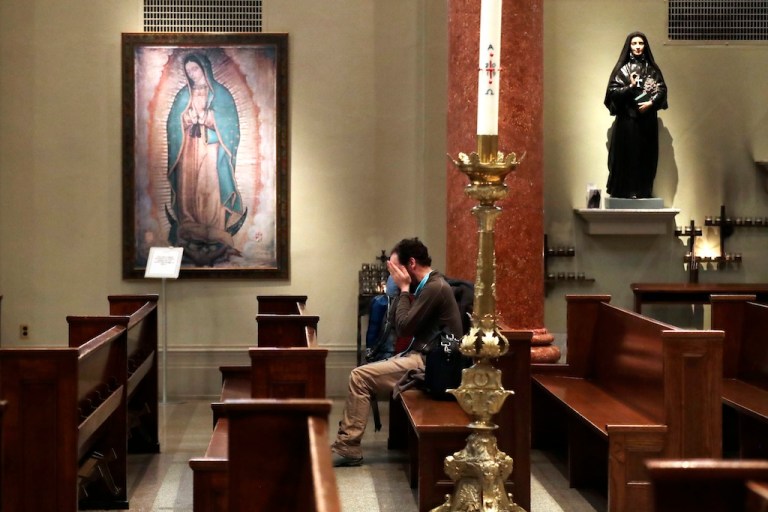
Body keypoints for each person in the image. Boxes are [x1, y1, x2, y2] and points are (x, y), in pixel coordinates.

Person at [331, 238, 463, 467]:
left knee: (359, 376)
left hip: (430, 363)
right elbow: (398, 323)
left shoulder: (434, 288)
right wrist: (399, 292)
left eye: (394, 269)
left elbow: (403, 327)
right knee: (364, 372)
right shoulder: (427, 286)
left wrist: (402, 290)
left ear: (410, 263)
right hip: (423, 357)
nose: (391, 275)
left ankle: (348, 447)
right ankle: (347, 443)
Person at [166, 53, 248, 266]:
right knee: (189, 187)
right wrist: (185, 118)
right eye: (189, 71)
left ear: (204, 68)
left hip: (211, 149)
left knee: (209, 186)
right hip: (188, 149)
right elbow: (172, 123)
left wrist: (209, 118)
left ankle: (213, 228)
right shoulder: (183, 95)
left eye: (195, 69)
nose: (193, 74)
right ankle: (189, 226)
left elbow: (231, 124)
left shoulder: (220, 94)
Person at [604, 31, 668, 199]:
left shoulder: (652, 69)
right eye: (634, 44)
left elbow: (662, 89)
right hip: (627, 122)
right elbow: (612, 93)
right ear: (629, 46)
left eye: (641, 43)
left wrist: (651, 103)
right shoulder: (622, 70)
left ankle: (642, 190)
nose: (638, 47)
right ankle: (625, 191)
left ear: (645, 46)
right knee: (627, 155)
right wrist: (630, 87)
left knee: (645, 155)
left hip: (647, 123)